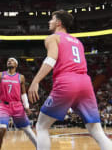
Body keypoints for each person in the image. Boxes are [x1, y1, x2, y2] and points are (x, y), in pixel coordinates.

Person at [28, 10, 112, 150]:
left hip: (67, 81)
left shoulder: (53, 38)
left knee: (41, 126)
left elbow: (51, 59)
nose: (49, 22)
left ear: (59, 23)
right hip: (85, 83)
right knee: (97, 131)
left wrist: (35, 81)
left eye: (52, 19)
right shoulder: (78, 42)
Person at [0, 58, 37, 150]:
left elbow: (23, 93)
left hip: (17, 105)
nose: (9, 61)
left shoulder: (21, 77)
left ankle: (40, 147)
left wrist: (27, 106)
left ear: (16, 65)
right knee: (1, 130)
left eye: (12, 60)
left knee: (27, 129)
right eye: (8, 60)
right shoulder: (0, 74)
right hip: (4, 106)